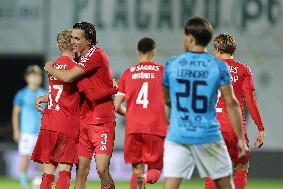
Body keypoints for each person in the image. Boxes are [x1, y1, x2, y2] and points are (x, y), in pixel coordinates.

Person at [162, 16, 248, 189]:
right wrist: (240, 139)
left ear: (190, 38)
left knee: (170, 187)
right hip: (208, 135)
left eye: (185, 35)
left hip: (179, 134)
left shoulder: (172, 64)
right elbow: (232, 103)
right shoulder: (218, 66)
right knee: (226, 186)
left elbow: (166, 99)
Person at [44, 22, 117, 189]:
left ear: (89, 40)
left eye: (77, 38)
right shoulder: (78, 58)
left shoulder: (96, 54)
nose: (73, 42)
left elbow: (68, 78)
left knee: (101, 169)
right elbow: (69, 92)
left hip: (102, 121)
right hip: (83, 121)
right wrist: (47, 96)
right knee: (81, 170)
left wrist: (49, 68)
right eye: (72, 38)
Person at [205, 33, 265, 189]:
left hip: (214, 128)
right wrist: (260, 128)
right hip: (236, 129)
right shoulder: (243, 70)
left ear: (217, 49)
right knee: (241, 168)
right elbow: (251, 102)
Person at [114, 37, 167, 189]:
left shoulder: (127, 73)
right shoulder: (162, 71)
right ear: (154, 52)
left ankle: (140, 177)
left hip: (133, 128)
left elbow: (116, 106)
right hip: (155, 127)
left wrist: (129, 114)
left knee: (136, 170)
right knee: (156, 169)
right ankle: (145, 177)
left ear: (138, 52)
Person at [31, 30, 80, 189]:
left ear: (58, 45)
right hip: (66, 125)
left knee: (47, 174)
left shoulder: (52, 66)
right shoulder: (77, 68)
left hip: (48, 124)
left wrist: (44, 97)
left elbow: (58, 92)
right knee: (64, 172)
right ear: (74, 46)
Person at [12, 65, 45, 189]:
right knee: (25, 158)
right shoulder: (21, 94)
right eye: (32, 75)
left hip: (41, 132)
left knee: (42, 159)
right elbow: (15, 113)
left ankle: (37, 181)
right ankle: (24, 184)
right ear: (27, 78)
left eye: (37, 75)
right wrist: (16, 131)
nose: (35, 78)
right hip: (26, 133)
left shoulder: (43, 94)